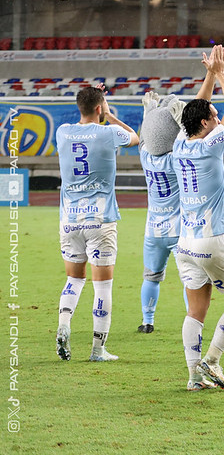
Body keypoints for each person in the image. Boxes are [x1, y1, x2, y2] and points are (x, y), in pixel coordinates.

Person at [172, 45, 224, 390]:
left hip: (185, 242)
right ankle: (213, 360)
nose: (219, 119)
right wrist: (219, 73)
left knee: (196, 310)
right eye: (214, 117)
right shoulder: (210, 144)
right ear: (206, 124)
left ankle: (193, 377)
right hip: (212, 238)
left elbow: (192, 112)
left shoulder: (179, 143)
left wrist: (207, 75)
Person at [55, 85, 140, 362]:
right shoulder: (108, 132)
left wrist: (98, 105)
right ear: (100, 108)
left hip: (69, 220)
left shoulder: (63, 131)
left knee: (74, 279)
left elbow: (88, 117)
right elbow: (135, 138)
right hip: (100, 220)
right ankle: (97, 349)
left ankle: (64, 325)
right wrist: (111, 115)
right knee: (102, 287)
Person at [136, 74, 213, 334]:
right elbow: (189, 139)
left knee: (151, 277)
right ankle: (191, 320)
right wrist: (182, 122)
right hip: (181, 229)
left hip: (153, 229)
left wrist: (148, 115)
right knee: (189, 279)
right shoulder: (178, 157)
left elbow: (145, 140)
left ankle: (147, 321)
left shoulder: (146, 158)